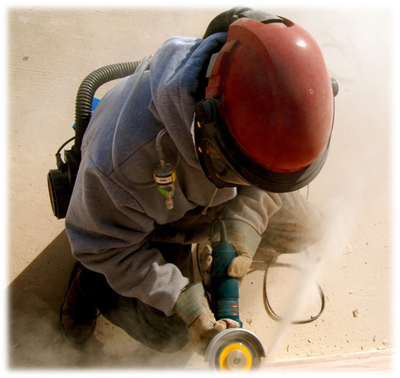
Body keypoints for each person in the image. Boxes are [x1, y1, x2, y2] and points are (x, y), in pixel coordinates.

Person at [61, 6, 337, 355]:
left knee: (308, 227)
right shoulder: (121, 163)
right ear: (208, 131)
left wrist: (243, 230)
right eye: (239, 169)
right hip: (148, 216)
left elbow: (266, 180)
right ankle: (91, 283)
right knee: (170, 335)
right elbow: (97, 241)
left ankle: (216, 257)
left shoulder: (283, 91)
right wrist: (178, 295)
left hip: (208, 191)